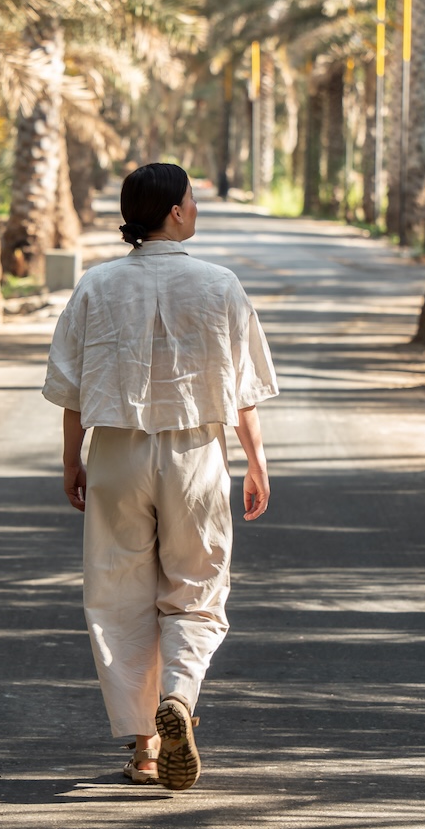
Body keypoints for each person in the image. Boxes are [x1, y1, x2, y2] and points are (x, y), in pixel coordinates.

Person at [42, 163, 278, 789]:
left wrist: (73, 461)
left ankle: (146, 746)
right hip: (195, 453)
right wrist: (255, 461)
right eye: (193, 199)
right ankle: (179, 694)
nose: (196, 207)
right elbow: (243, 391)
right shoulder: (219, 284)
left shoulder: (96, 285)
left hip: (117, 453)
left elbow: (70, 390)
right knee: (197, 588)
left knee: (118, 596)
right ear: (175, 211)